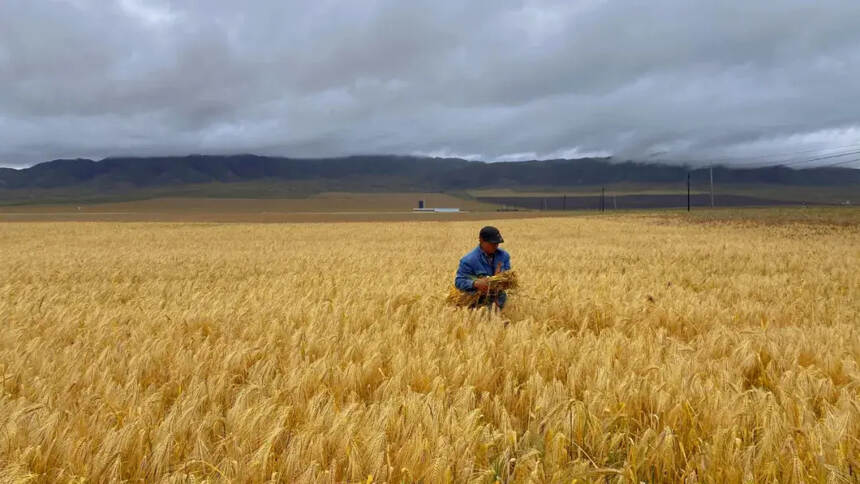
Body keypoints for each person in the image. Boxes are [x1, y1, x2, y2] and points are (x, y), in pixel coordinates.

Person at [454, 226, 511, 309]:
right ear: (481, 240)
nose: (495, 246)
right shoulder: (468, 260)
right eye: (492, 243)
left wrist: (501, 278)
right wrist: (475, 283)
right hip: (477, 303)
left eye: (497, 243)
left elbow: (509, 276)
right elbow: (459, 281)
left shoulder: (504, 256)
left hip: (499, 300)